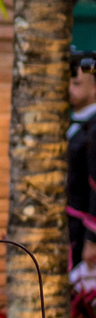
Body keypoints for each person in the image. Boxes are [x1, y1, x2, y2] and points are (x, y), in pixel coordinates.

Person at [68, 49, 96, 279]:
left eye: (77, 84)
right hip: (70, 228)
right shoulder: (68, 122)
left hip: (85, 227)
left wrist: (92, 238)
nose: (69, 90)